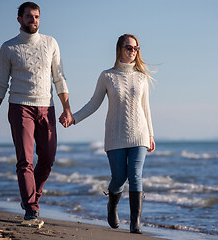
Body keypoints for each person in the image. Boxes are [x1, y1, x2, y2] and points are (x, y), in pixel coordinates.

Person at [0, 2, 73, 221]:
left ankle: (31, 196)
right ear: (19, 19)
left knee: (48, 157)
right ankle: (31, 208)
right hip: (19, 107)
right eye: (29, 17)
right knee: (24, 160)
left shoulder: (51, 42)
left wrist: (66, 109)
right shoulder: (8, 48)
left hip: (47, 107)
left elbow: (59, 78)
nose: (33, 20)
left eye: (36, 17)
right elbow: (0, 84)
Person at [63, 34, 155, 234]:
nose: (133, 51)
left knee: (136, 176)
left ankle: (135, 223)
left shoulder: (142, 77)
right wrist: (74, 118)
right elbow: (94, 103)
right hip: (115, 134)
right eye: (129, 47)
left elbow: (145, 108)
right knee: (119, 178)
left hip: (140, 133)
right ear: (119, 49)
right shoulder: (107, 76)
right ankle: (112, 205)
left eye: (136, 48)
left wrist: (150, 135)